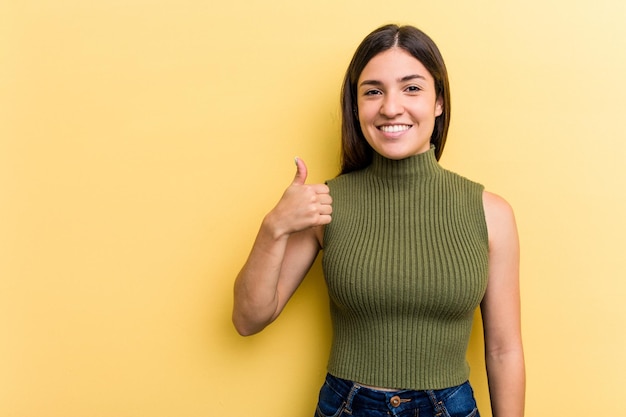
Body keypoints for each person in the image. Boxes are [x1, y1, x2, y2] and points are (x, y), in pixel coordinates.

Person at [232, 24, 525, 417]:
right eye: (373, 91)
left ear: (439, 101)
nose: (390, 107)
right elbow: (249, 319)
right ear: (356, 106)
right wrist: (274, 227)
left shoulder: (491, 213)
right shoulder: (325, 204)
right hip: (347, 406)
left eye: (412, 88)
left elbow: (504, 350)